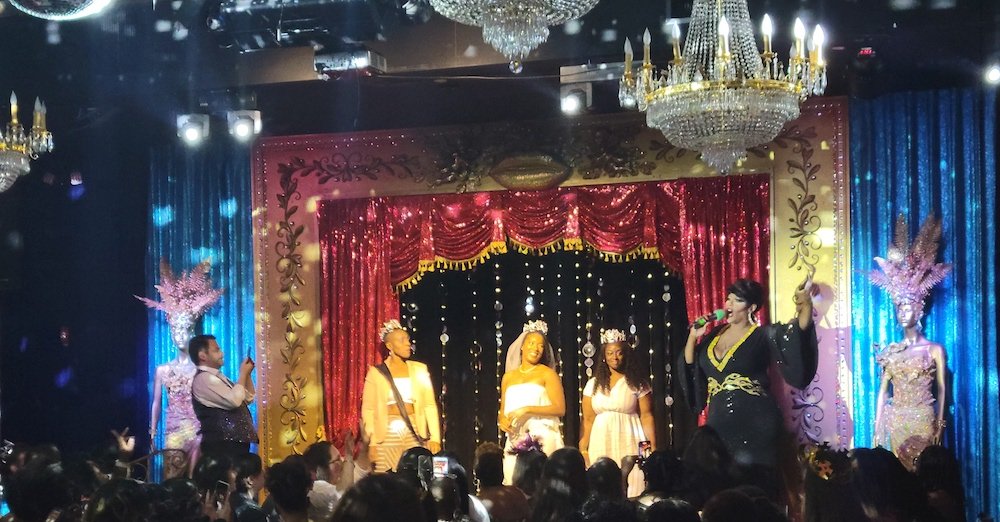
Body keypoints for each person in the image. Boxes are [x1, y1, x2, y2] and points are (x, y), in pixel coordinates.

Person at [680, 277, 817, 497]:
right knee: (720, 489)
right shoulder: (713, 336)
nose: (728, 305)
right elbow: (690, 365)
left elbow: (797, 332)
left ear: (751, 307)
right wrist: (692, 337)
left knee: (755, 491)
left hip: (756, 424)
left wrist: (805, 303)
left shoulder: (763, 335)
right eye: (728, 299)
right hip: (718, 426)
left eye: (736, 301)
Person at [869, 216, 951, 471]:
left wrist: (940, 424)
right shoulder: (892, 352)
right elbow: (883, 391)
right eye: (899, 308)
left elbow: (942, 389)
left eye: (908, 307)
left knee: (923, 473)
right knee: (896, 477)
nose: (902, 313)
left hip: (924, 419)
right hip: (895, 421)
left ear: (919, 309)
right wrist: (877, 427)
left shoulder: (934, 349)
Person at [579, 328, 655, 497]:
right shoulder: (593, 384)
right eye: (610, 353)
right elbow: (588, 419)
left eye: (619, 353)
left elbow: (646, 416)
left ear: (625, 354)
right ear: (604, 356)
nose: (615, 357)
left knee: (633, 483)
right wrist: (583, 449)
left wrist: (650, 449)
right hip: (601, 439)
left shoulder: (637, 383)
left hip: (630, 438)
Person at [361, 319, 442, 472]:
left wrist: (435, 438)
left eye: (408, 340)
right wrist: (372, 443)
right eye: (402, 340)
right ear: (389, 346)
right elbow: (368, 409)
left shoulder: (420, 370)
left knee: (415, 474)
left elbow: (429, 405)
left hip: (414, 430)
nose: (407, 344)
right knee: (385, 476)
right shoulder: (376, 373)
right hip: (386, 434)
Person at [498, 320, 565, 485]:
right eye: (532, 343)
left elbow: (560, 408)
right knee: (514, 483)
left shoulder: (547, 374)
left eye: (541, 346)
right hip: (515, 437)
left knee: (541, 483)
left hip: (542, 436)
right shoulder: (508, 377)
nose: (536, 348)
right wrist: (502, 421)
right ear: (522, 346)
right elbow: (502, 411)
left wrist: (527, 409)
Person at [189, 334, 259, 459]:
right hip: (222, 448)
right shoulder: (204, 378)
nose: (222, 354)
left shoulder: (216, 377)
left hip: (232, 445)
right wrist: (242, 374)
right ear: (202, 356)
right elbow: (234, 401)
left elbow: (247, 398)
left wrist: (247, 375)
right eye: (216, 350)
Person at [150, 336, 201, 478]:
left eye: (184, 330)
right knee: (172, 472)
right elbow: (156, 402)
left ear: (191, 333)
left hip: (196, 428)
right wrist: (153, 432)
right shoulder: (162, 369)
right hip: (174, 428)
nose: (180, 336)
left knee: (195, 475)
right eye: (176, 331)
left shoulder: (198, 369)